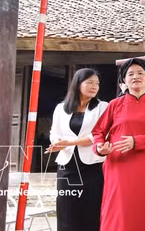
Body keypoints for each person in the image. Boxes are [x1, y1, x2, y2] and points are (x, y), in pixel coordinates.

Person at [92, 58, 145, 231]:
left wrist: (137, 141)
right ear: (124, 80)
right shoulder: (115, 105)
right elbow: (98, 132)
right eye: (130, 74)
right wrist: (99, 148)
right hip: (119, 165)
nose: (136, 77)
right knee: (118, 209)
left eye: (140, 73)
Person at [47, 68, 108, 231]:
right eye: (89, 82)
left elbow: (99, 135)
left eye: (97, 83)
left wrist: (70, 142)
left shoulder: (103, 107)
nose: (94, 86)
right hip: (67, 167)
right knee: (67, 210)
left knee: (91, 210)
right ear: (77, 84)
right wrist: (57, 142)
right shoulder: (61, 108)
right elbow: (54, 132)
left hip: (93, 167)